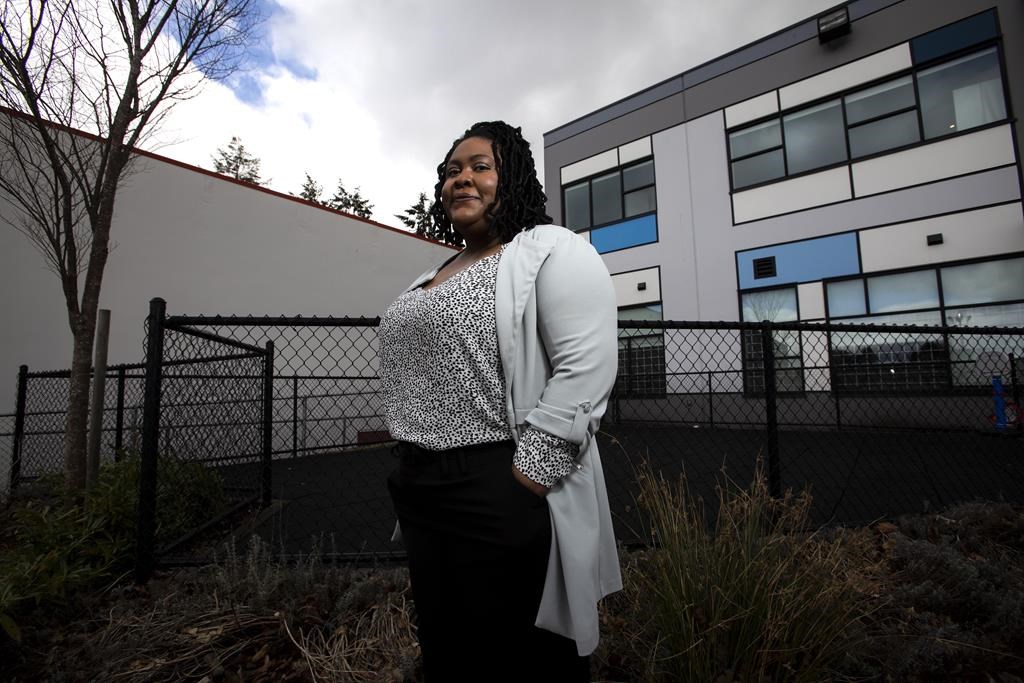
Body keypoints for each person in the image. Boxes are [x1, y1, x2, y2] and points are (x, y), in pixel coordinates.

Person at [380, 121, 621, 682]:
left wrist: (527, 478)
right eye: (451, 170)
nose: (461, 178)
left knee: (527, 655)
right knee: (450, 649)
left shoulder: (549, 250)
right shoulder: (435, 272)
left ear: (510, 178)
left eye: (479, 167)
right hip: (421, 487)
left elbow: (585, 367)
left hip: (498, 484)